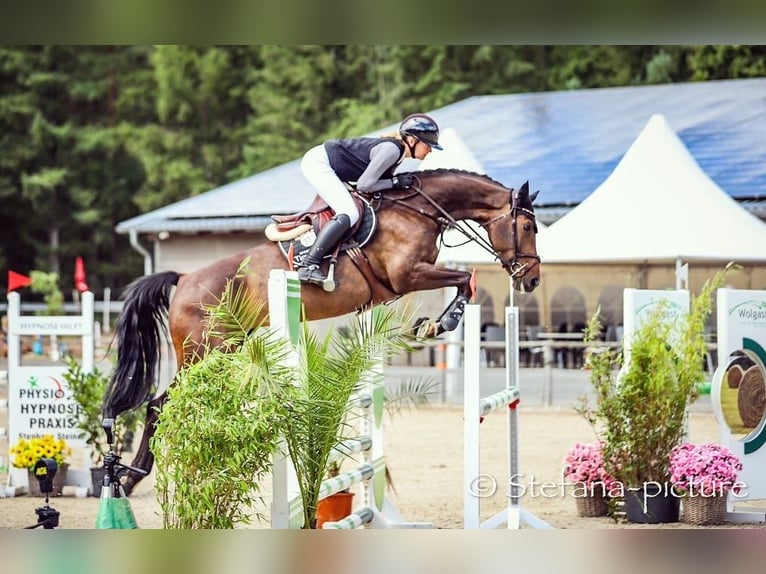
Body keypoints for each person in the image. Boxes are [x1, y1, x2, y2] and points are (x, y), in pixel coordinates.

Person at [297, 113, 443, 286]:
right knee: (349, 213)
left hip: (330, 165)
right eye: (428, 145)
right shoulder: (392, 150)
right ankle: (308, 264)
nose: (430, 150)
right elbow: (364, 185)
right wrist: (394, 182)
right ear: (412, 141)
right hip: (319, 164)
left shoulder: (398, 152)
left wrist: (393, 183)